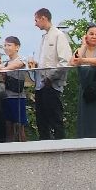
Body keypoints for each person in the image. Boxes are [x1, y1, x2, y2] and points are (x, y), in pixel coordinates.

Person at [31, 8, 72, 141]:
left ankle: (60, 144)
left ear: (43, 18)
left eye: (36, 20)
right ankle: (45, 143)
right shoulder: (44, 37)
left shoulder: (59, 36)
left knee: (55, 117)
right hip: (41, 84)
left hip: (52, 84)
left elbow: (65, 61)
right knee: (41, 119)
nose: (35, 24)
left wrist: (51, 77)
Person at [0, 36, 31, 142]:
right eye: (5, 45)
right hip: (6, 96)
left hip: (17, 97)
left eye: (9, 45)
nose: (6, 47)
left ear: (17, 47)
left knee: (19, 125)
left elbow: (17, 65)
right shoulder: (5, 62)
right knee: (8, 124)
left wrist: (3, 69)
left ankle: (23, 146)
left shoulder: (22, 59)